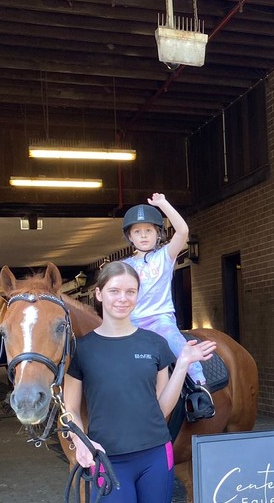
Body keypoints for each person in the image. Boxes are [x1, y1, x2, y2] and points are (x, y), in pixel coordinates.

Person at [63, 261, 216, 503]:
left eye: (130, 292)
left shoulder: (154, 343)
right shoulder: (82, 349)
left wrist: (184, 363)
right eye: (114, 291)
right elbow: (70, 408)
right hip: (108, 460)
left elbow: (162, 407)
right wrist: (80, 442)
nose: (122, 298)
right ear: (99, 294)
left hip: (155, 456)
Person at [121, 193, 214, 421]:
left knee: (178, 345)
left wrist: (163, 205)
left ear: (158, 233)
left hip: (159, 320)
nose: (143, 236)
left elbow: (182, 231)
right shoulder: (123, 265)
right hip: (131, 322)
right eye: (137, 231)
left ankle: (200, 388)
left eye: (149, 231)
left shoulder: (165, 256)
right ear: (130, 237)